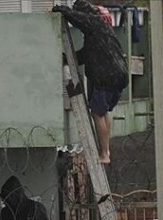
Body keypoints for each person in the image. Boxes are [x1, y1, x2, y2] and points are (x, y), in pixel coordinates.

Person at [52, 0, 128, 164]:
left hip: (106, 76)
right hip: (119, 75)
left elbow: (76, 17)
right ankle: (106, 150)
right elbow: (86, 54)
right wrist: (66, 58)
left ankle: (104, 154)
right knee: (103, 112)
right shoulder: (102, 31)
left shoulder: (93, 22)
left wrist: (58, 9)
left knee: (96, 113)